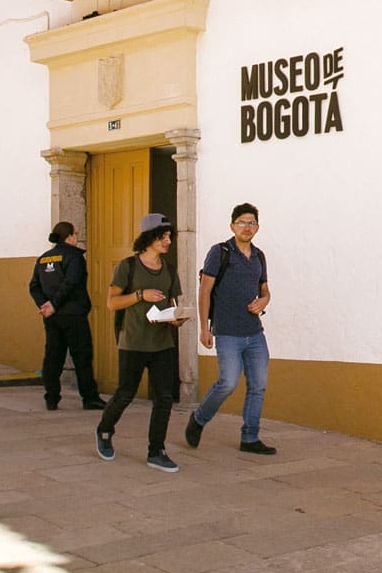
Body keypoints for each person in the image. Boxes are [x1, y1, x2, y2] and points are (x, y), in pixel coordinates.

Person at [185, 202, 275, 455]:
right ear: (232, 226)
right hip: (227, 332)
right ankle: (199, 419)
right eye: (242, 222)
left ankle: (250, 438)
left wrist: (264, 300)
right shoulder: (220, 252)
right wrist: (204, 328)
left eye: (252, 223)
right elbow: (205, 291)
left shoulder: (259, 256)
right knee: (227, 382)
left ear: (257, 227)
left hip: (255, 333)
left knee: (258, 385)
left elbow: (265, 289)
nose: (247, 227)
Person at [96, 213, 184, 471]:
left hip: (163, 344)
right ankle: (104, 430)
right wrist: (140, 295)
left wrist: (177, 318)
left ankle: (156, 451)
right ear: (149, 238)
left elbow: (173, 304)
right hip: (133, 342)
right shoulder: (128, 267)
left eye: (170, 236)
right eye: (163, 236)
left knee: (164, 398)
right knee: (125, 394)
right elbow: (112, 303)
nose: (168, 241)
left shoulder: (169, 270)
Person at [29, 221, 102, 412]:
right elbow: (71, 283)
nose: (77, 237)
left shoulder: (43, 259)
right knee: (82, 357)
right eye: (76, 234)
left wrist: (45, 306)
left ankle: (51, 398)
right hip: (73, 314)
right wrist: (53, 305)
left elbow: (34, 286)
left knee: (53, 357)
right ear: (69, 236)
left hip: (52, 317)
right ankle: (90, 398)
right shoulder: (74, 257)